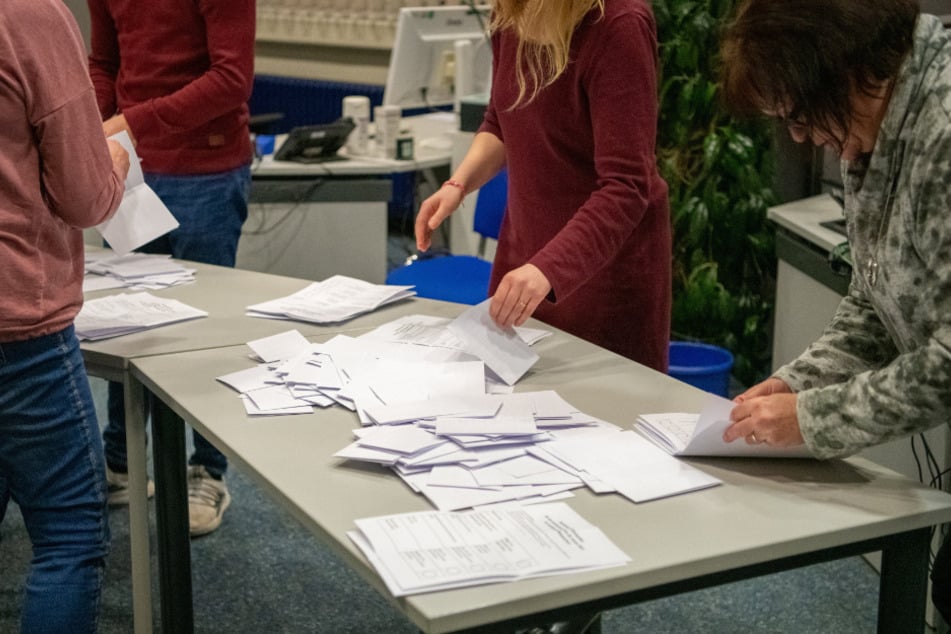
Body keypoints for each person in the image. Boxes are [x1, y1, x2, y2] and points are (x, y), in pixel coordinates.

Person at [715, 0, 951, 621]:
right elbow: (875, 298)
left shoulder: (943, 130)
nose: (799, 137)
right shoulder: (871, 126)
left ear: (843, 68)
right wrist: (796, 383)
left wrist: (813, 417)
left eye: (795, 114)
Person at [415, 0, 671, 372]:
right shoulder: (511, 12)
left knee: (599, 417)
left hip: (599, 275)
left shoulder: (619, 24)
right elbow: (500, 122)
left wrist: (549, 269)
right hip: (525, 260)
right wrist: (458, 183)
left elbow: (627, 187)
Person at [86, 0, 256, 536]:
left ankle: (207, 469)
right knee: (128, 324)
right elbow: (105, 62)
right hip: (128, 168)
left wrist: (133, 122)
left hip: (204, 168)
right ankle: (122, 463)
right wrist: (88, 129)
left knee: (202, 331)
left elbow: (231, 78)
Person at [0, 0, 130, 629]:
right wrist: (115, 164)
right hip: (15, 322)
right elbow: (85, 196)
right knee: (70, 533)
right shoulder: (29, 14)